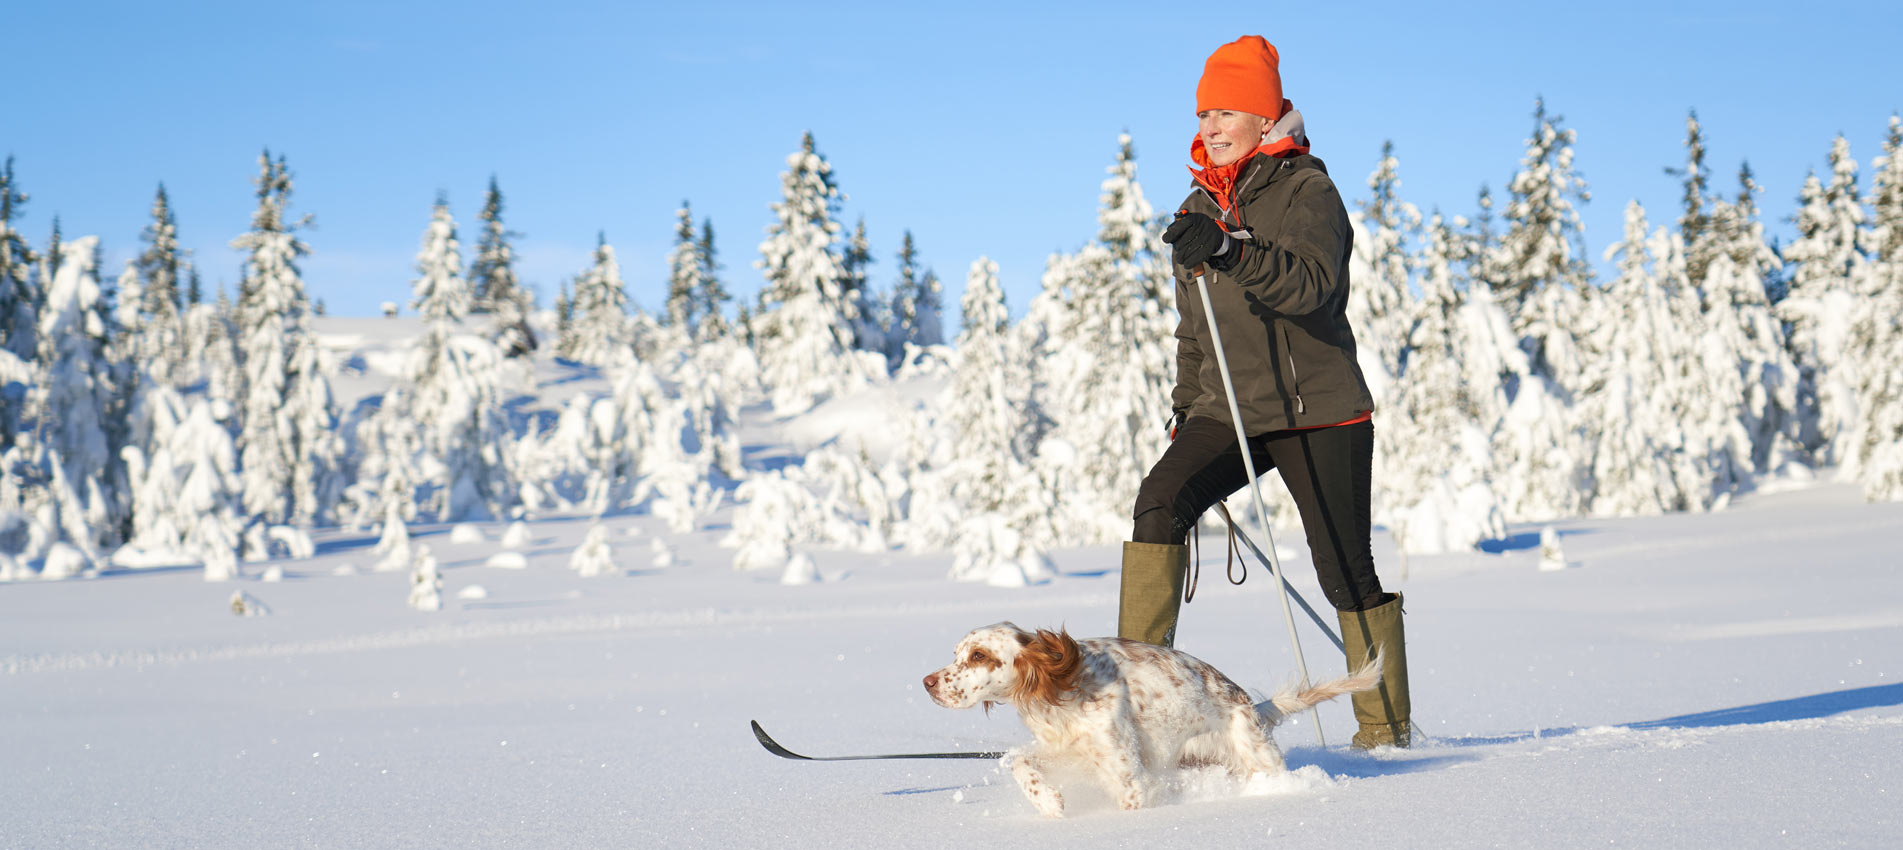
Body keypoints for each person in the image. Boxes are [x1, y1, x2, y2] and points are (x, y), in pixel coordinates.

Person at [1117, 35, 1411, 749]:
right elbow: (1195, 330)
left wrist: (1229, 249)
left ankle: (1384, 726)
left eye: (1223, 112)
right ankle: (1132, 712)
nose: (1207, 128)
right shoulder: (1198, 206)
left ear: (1261, 117)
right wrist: (1187, 407)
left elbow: (1313, 288)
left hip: (1318, 411)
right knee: (1159, 505)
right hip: (1227, 412)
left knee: (1344, 570)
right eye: (1201, 115)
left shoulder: (1307, 188)